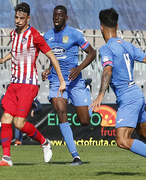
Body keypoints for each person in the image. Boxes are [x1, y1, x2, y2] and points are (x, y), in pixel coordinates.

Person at [90, 8, 146, 176]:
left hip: (128, 98)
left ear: (101, 27)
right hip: (137, 95)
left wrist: (101, 94)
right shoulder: (128, 45)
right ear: (117, 25)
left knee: (122, 140)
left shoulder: (106, 48)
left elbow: (107, 71)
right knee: (145, 133)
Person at [0, 2, 66, 167]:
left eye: (21, 18)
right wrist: (3, 59)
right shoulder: (13, 34)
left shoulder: (34, 35)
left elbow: (52, 56)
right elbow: (15, 51)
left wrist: (61, 80)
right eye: (16, 17)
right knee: (6, 118)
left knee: (18, 123)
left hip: (28, 84)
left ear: (28, 18)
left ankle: (45, 142)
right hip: (14, 84)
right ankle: (6, 159)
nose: (18, 20)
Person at [42, 5, 96, 165]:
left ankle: (86, 89)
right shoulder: (47, 36)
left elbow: (92, 53)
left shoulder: (75, 34)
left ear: (66, 18)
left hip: (75, 81)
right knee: (61, 112)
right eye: (54, 15)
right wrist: (47, 70)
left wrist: (79, 68)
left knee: (85, 121)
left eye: (60, 15)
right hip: (56, 81)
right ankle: (75, 156)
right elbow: (53, 57)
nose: (56, 17)